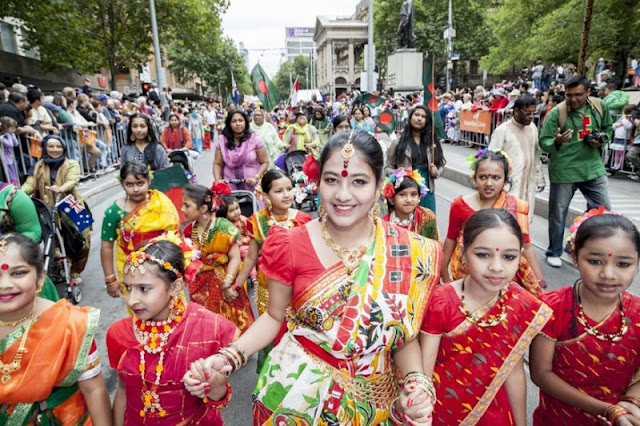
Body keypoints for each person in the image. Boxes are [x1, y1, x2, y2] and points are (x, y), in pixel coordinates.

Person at [187, 130, 440, 425]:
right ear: (317, 182)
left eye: (358, 181)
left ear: (378, 186)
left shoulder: (408, 250)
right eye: (332, 180)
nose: (343, 195)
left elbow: (403, 338)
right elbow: (273, 317)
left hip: (374, 400)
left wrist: (416, 383)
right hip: (296, 395)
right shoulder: (289, 244)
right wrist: (228, 357)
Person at [420, 209, 552, 425]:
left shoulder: (519, 303)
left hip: (494, 412)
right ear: (463, 252)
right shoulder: (440, 301)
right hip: (442, 410)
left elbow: (514, 372)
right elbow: (424, 373)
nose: (496, 267)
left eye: (509, 257)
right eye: (483, 255)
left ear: (520, 255)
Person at [107, 237, 236, 424]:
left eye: (144, 288)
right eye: (127, 288)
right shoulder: (118, 334)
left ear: (175, 286)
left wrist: (217, 389)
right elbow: (122, 390)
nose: (131, 300)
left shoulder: (210, 328)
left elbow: (219, 397)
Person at [530, 210, 640, 425]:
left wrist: (632, 402)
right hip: (557, 419)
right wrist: (609, 410)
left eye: (623, 264)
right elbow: (541, 374)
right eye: (595, 261)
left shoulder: (637, 312)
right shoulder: (552, 308)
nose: (608, 274)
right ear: (575, 257)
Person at [0, 233, 111, 425]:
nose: (5, 285)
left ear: (41, 277)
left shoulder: (70, 325)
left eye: (18, 273)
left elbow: (94, 390)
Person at [233, 169, 312, 371]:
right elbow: (251, 256)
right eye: (278, 191)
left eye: (289, 189)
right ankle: (274, 374)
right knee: (272, 331)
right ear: (265, 195)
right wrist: (237, 283)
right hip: (268, 289)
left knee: (300, 333)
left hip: (299, 290)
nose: (286, 195)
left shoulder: (304, 220)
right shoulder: (257, 221)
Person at [441, 148, 546, 295]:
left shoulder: (517, 207)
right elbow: (451, 240)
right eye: (483, 177)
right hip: (468, 273)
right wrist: (444, 274)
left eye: (496, 178)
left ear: (505, 179)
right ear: (474, 178)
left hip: (502, 275)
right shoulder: (460, 205)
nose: (489, 183)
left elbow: (526, 247)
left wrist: (539, 279)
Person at [539, 75, 613, 268]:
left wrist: (603, 138)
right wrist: (557, 141)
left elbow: (609, 128)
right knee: (558, 213)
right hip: (564, 170)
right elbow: (544, 142)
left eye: (578, 95)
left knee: (602, 210)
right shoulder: (558, 112)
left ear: (588, 92)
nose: (572, 99)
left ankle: (575, 242)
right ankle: (553, 251)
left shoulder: (599, 106)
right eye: (568, 95)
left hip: (593, 168)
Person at [100, 161, 180, 301]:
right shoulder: (114, 212)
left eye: (140, 183)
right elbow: (106, 246)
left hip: (162, 266)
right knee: (140, 306)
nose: (135, 189)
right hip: (131, 268)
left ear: (149, 181)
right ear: (122, 184)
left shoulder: (161, 202)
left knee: (171, 305)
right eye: (129, 185)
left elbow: (175, 234)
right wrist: (110, 279)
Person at [182, 183, 255, 334]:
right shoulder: (190, 230)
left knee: (231, 321)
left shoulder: (223, 226)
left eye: (187, 206)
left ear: (203, 208)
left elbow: (235, 258)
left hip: (224, 281)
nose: (182, 210)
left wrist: (228, 283)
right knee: (207, 322)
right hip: (200, 285)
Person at [22, 135, 90, 286]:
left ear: (64, 148)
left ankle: (75, 271)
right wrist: (17, 193)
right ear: (45, 148)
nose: (55, 149)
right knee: (55, 240)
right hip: (47, 207)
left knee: (82, 239)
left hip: (72, 204)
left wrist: (61, 188)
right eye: (51, 146)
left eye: (58, 146)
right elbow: (30, 184)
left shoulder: (72, 164)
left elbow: (72, 180)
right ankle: (60, 266)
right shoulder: (38, 166)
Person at [489, 95, 546, 216]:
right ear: (516, 111)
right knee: (506, 222)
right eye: (527, 113)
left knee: (525, 221)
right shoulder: (502, 130)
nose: (531, 117)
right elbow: (490, 159)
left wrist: (539, 178)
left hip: (528, 186)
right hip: (508, 188)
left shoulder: (533, 129)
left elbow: (536, 155)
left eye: (533, 113)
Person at [386, 105, 445, 212]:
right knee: (406, 224)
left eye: (423, 116)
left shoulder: (432, 143)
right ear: (410, 117)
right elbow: (388, 167)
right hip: (405, 190)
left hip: (427, 191)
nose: (419, 118)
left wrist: (436, 172)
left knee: (426, 223)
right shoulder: (398, 143)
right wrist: (396, 173)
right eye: (416, 115)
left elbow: (441, 165)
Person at [214, 109, 269, 192]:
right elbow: (217, 164)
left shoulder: (255, 139)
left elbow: (264, 162)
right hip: (229, 187)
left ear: (246, 122)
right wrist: (218, 181)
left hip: (252, 186)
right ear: (229, 123)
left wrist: (256, 177)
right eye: (234, 121)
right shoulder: (222, 141)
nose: (238, 124)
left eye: (241, 120)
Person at [381, 167, 439, 241]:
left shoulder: (427, 218)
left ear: (419, 197)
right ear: (391, 199)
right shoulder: (383, 225)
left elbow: (435, 247)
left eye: (413, 194)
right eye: (402, 194)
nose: (409, 200)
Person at [609, 104, 634, 171]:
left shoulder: (630, 118)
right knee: (617, 152)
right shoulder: (622, 118)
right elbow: (614, 125)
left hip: (624, 138)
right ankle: (615, 164)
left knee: (622, 153)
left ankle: (620, 165)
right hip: (618, 137)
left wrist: (624, 119)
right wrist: (617, 124)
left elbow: (628, 126)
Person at [0, 116, 20, 185]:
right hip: (5, 158)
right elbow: (10, 144)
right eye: (12, 128)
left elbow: (16, 144)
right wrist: (9, 136)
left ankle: (15, 183)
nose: (14, 129)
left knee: (15, 171)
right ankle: (12, 184)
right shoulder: (2, 137)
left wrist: (13, 136)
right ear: (5, 127)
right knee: (10, 173)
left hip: (11, 157)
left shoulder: (11, 135)